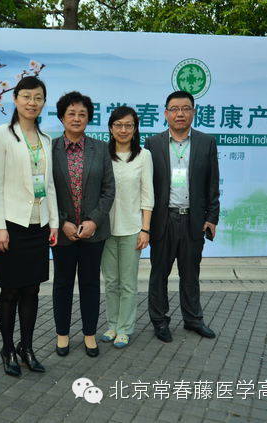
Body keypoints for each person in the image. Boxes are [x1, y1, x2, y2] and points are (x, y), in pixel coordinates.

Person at [0, 76, 58, 376]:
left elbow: (49, 185)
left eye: (38, 97)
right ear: (15, 99)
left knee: (32, 291)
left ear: (43, 102)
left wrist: (54, 222)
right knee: (10, 292)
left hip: (39, 225)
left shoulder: (46, 140)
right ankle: (7, 349)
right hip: (12, 225)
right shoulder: (0, 134)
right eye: (26, 96)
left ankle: (26, 347)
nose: (32, 102)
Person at [145, 90, 220, 343]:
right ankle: (159, 321)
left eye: (186, 108)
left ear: (193, 112)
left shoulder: (206, 143)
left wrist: (212, 217)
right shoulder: (153, 144)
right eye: (175, 109)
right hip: (163, 219)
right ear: (166, 113)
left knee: (190, 274)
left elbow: (212, 183)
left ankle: (193, 319)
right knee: (159, 274)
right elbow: (147, 186)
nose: (180, 114)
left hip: (193, 220)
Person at [51, 91, 115, 357]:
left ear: (89, 118)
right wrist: (62, 222)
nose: (76, 118)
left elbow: (108, 190)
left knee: (90, 284)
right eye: (71, 113)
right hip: (62, 232)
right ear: (61, 117)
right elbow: (46, 191)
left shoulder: (100, 148)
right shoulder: (50, 148)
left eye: (82, 114)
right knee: (62, 284)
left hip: (93, 233)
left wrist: (94, 221)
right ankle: (62, 335)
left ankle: (89, 334)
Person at [99, 106, 154, 348]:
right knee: (111, 281)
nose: (123, 130)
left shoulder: (144, 156)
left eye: (128, 125)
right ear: (111, 128)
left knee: (128, 283)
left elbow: (147, 195)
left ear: (135, 128)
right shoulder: (102, 154)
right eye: (118, 125)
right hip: (105, 229)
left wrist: (145, 229)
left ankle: (125, 328)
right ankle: (112, 324)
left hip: (132, 229)